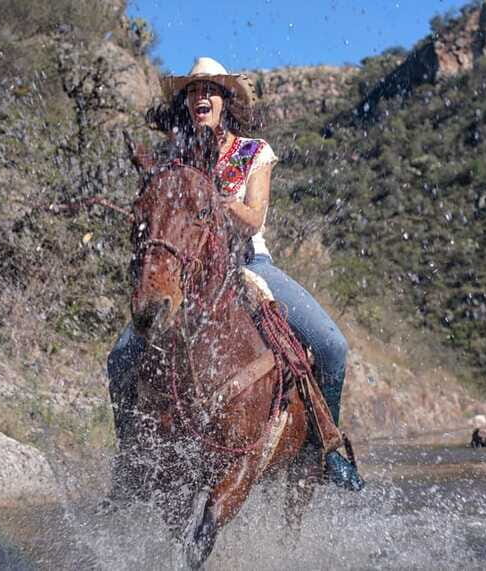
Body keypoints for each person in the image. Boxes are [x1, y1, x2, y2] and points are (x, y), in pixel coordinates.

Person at [108, 57, 363, 491]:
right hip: (190, 274)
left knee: (332, 346)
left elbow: (254, 217)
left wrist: (211, 206)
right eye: (192, 91)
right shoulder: (175, 154)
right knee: (120, 359)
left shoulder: (253, 152)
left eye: (209, 90)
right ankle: (129, 460)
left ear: (225, 101)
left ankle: (325, 446)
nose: (199, 97)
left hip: (248, 264)